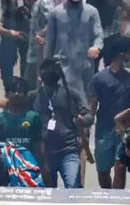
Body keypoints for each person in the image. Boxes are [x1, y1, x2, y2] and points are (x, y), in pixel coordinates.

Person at [89, 34, 130, 188]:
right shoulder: (99, 78)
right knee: (103, 170)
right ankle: (107, 197)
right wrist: (86, 127)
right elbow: (92, 104)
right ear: (121, 54)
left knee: (120, 166)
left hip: (124, 131)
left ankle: (118, 200)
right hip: (104, 130)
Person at [35, 60, 93, 188]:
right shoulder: (35, 96)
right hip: (45, 154)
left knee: (73, 186)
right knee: (47, 192)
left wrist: (82, 120)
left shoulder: (70, 93)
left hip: (68, 150)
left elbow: (89, 116)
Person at [43, 0, 104, 101]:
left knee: (84, 104)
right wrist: (45, 69)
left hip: (85, 67)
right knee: (63, 103)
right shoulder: (56, 13)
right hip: (62, 68)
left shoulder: (92, 12)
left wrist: (96, 47)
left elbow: (99, 34)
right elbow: (49, 43)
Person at [24, 0, 55, 86]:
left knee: (35, 89)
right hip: (33, 53)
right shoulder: (37, 0)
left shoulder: (45, 1)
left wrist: (42, 35)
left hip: (40, 55)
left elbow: (52, 22)